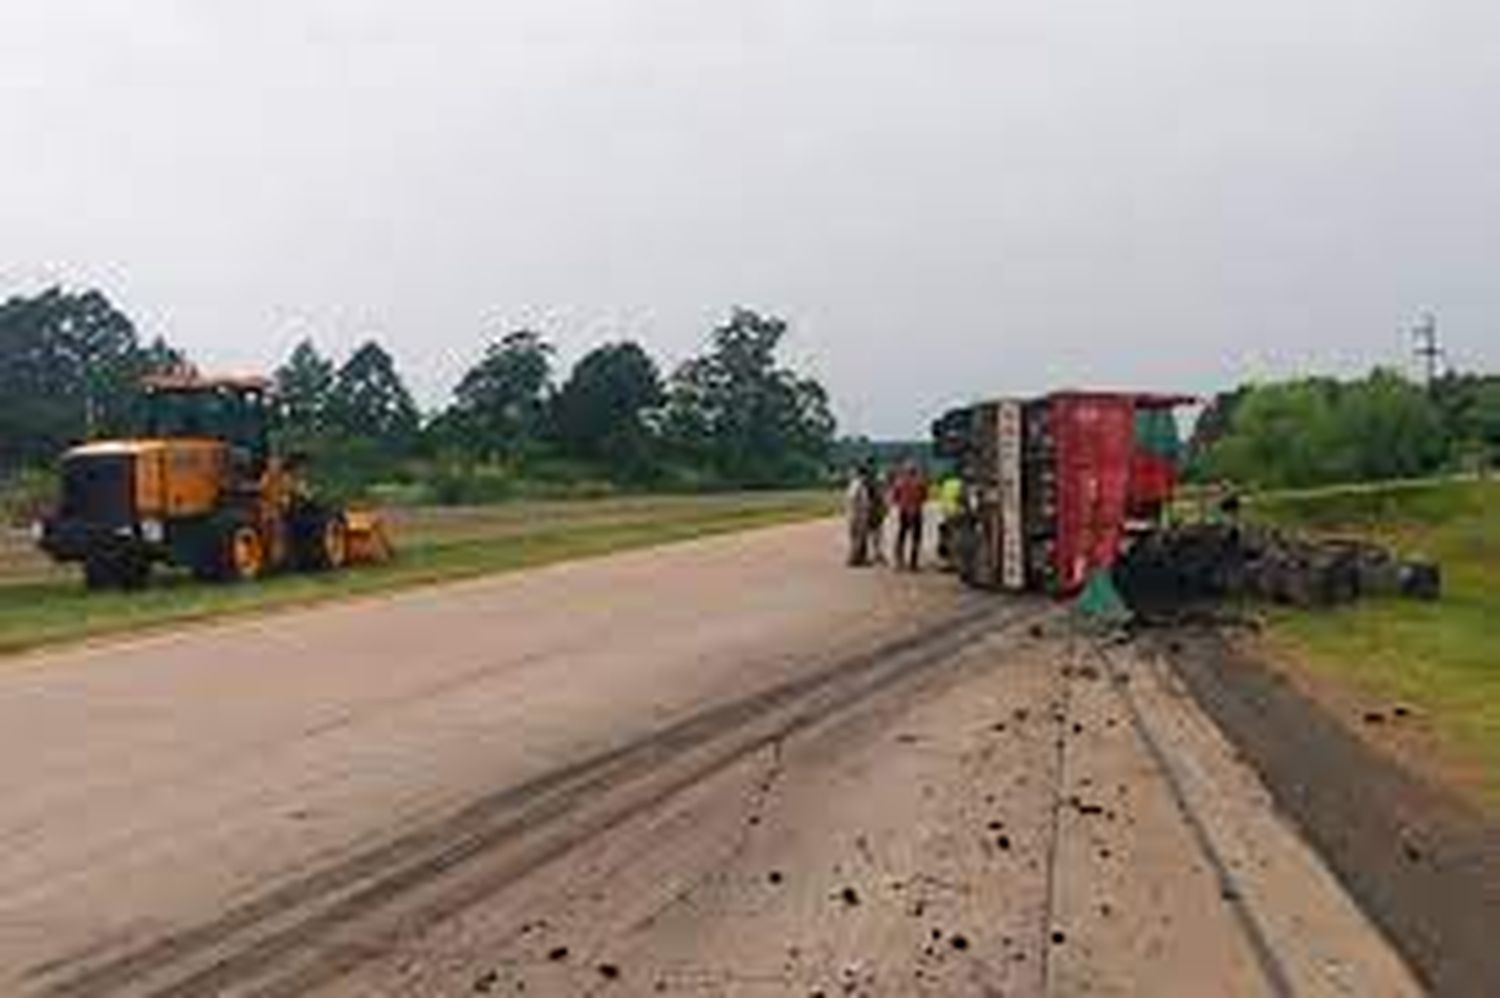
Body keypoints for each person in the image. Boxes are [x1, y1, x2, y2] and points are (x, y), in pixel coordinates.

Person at [891, 460, 929, 571]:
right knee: (915, 538)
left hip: (904, 511)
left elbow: (895, 497)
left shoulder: (900, 482)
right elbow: (925, 497)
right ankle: (913, 563)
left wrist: (901, 503)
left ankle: (899, 562)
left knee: (902, 536)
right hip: (916, 511)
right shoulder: (920, 482)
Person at [844, 462, 873, 566]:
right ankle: (854, 559)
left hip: (857, 514)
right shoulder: (857, 484)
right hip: (857, 515)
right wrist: (861, 512)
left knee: (860, 537)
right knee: (858, 537)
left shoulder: (857, 484)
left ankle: (859, 558)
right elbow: (853, 500)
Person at [864, 462, 889, 565]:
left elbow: (881, 498)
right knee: (875, 534)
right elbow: (879, 498)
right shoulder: (872, 484)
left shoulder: (869, 483)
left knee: (875, 534)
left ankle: (876, 554)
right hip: (872, 511)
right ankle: (876, 554)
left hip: (871, 511)